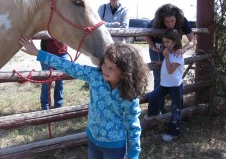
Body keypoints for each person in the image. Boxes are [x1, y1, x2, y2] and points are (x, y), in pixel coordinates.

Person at [19, 37, 149, 159]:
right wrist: (38, 53)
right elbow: (68, 66)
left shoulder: (129, 93)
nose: (105, 69)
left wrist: (134, 151)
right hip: (93, 140)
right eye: (104, 64)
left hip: (115, 146)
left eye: (111, 68)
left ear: (125, 72)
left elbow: (133, 123)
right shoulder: (94, 76)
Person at [145, 3, 196, 113]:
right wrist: (153, 47)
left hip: (175, 51)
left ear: (176, 18)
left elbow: (193, 40)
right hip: (158, 51)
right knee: (159, 78)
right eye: (167, 22)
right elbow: (147, 35)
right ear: (162, 20)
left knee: (176, 77)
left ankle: (178, 108)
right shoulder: (155, 21)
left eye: (172, 21)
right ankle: (159, 109)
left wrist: (183, 49)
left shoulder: (183, 20)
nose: (170, 24)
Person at [145, 29, 185, 142]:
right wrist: (162, 62)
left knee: (175, 110)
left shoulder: (178, 55)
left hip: (175, 86)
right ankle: (153, 113)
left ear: (175, 42)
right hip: (165, 84)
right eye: (164, 42)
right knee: (153, 96)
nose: (165, 44)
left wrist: (165, 58)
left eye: (168, 42)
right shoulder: (170, 53)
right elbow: (168, 64)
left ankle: (173, 133)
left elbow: (171, 70)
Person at [40, 39, 68, 110]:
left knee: (60, 81)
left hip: (62, 52)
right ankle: (45, 107)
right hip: (45, 52)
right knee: (46, 81)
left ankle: (59, 105)